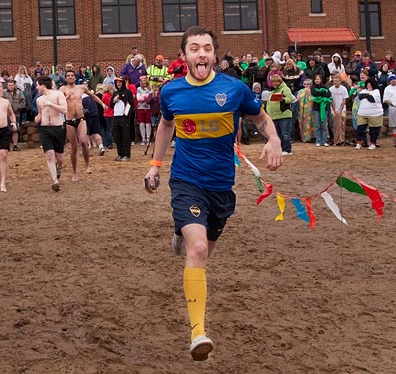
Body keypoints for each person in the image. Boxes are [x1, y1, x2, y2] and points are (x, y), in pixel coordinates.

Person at [143, 26, 282, 362]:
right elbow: (165, 125)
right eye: (194, 48)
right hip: (186, 181)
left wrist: (274, 139)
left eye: (206, 48)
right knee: (200, 248)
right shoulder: (172, 92)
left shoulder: (233, 89)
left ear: (214, 55)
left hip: (222, 187)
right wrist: (155, 164)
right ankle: (198, 332)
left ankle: (182, 233)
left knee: (206, 248)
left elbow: (260, 118)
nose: (201, 54)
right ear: (184, 56)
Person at [60, 69, 107, 180]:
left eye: (72, 75)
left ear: (75, 78)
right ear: (66, 78)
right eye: (68, 76)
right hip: (69, 120)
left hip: (81, 118)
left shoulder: (81, 88)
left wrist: (102, 104)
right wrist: (65, 98)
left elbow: (93, 96)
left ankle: (87, 165)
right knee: (74, 147)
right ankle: (74, 172)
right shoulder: (62, 89)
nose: (70, 77)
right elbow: (59, 101)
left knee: (83, 141)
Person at [34, 75, 68, 191]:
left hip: (57, 128)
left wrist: (51, 104)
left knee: (60, 158)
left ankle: (59, 168)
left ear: (43, 85)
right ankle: (55, 181)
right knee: (49, 155)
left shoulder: (58, 94)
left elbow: (64, 110)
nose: (36, 88)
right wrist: (38, 117)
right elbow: (40, 113)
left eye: (37, 85)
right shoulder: (39, 100)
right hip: (45, 129)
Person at [267, 75, 293, 155]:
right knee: (277, 134)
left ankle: (287, 150)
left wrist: (283, 99)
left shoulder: (285, 89)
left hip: (284, 114)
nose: (274, 83)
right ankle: (279, 149)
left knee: (284, 133)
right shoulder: (272, 91)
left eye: (276, 81)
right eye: (273, 82)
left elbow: (290, 99)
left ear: (279, 81)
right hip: (273, 116)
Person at [110, 77, 134, 160]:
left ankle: (127, 155)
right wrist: (114, 100)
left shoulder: (128, 92)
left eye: (120, 82)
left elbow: (131, 104)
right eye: (117, 83)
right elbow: (111, 105)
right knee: (117, 136)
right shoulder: (115, 93)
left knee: (125, 136)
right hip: (116, 116)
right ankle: (120, 154)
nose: (118, 84)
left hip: (124, 117)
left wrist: (127, 114)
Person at [355, 78, 383, 150]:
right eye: (368, 85)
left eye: (370, 85)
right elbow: (360, 96)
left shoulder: (376, 91)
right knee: (360, 129)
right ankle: (359, 142)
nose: (369, 86)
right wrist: (368, 95)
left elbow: (372, 99)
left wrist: (366, 95)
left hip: (375, 114)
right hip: (362, 113)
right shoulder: (363, 91)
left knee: (374, 130)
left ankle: (373, 143)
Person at [3, 80, 26, 151]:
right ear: (7, 85)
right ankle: (5, 146)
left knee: (15, 130)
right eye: (9, 85)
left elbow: (23, 102)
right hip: (6, 114)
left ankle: (15, 145)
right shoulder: (3, 92)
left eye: (12, 85)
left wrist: (18, 107)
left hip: (16, 114)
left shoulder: (19, 93)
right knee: (5, 130)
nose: (10, 87)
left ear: (14, 85)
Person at [310, 74, 331, 147]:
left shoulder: (324, 86)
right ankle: (318, 141)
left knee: (324, 125)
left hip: (324, 108)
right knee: (317, 125)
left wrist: (320, 93)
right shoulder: (312, 87)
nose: (317, 80)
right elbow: (314, 93)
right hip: (316, 108)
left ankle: (324, 141)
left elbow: (328, 94)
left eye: (318, 79)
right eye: (316, 79)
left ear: (321, 80)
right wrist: (322, 92)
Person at [382, 74, 396, 147]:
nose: (393, 80)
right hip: (393, 108)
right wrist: (394, 104)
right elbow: (386, 100)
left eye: (394, 79)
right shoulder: (387, 89)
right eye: (391, 79)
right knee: (395, 125)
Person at [329, 74, 349, 146]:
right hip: (334, 110)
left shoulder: (344, 89)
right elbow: (331, 101)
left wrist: (340, 109)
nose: (335, 82)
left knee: (342, 125)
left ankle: (342, 140)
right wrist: (335, 109)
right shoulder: (331, 89)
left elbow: (344, 100)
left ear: (340, 81)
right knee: (336, 125)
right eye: (334, 80)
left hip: (342, 109)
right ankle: (336, 140)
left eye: (337, 80)